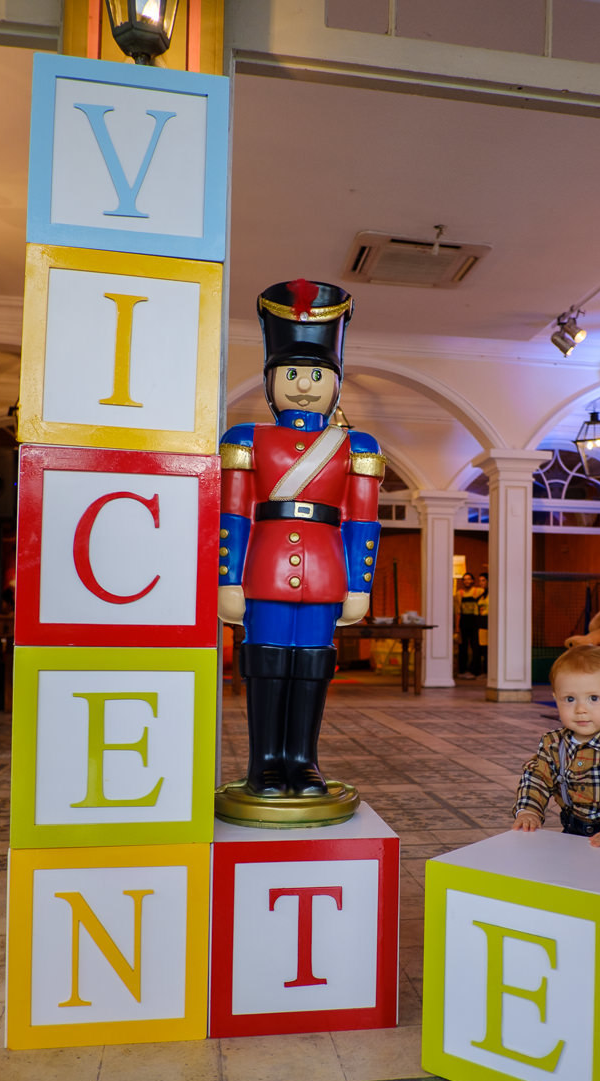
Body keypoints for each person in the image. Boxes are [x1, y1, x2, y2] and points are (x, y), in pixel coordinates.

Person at [217, 279, 385, 808]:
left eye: (317, 373)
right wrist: (229, 577)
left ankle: (303, 761)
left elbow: (362, 522)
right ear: (270, 380)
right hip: (263, 571)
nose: (305, 384)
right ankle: (264, 765)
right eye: (291, 373)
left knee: (313, 665)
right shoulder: (245, 439)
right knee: (266, 664)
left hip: (324, 575)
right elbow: (234, 513)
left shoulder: (357, 445)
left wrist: (359, 587)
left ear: (335, 381)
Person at [512, 644, 600, 849]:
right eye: (570, 699)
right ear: (556, 700)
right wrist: (528, 811)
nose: (580, 709)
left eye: (594, 698)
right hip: (574, 833)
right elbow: (537, 779)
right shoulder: (553, 743)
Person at [454, 572, 481, 678]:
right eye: (464, 579)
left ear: (473, 580)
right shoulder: (459, 593)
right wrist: (457, 627)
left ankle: (475, 670)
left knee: (476, 647)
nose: (467, 581)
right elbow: (457, 612)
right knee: (462, 647)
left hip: (475, 622)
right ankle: (462, 670)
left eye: (469, 579)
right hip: (463, 622)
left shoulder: (478, 591)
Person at [476, 572, 489, 676]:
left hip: (490, 622)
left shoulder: (493, 594)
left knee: (490, 648)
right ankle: (484, 670)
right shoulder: (481, 594)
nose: (481, 583)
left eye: (483, 580)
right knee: (483, 648)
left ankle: (489, 670)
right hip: (481, 622)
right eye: (480, 581)